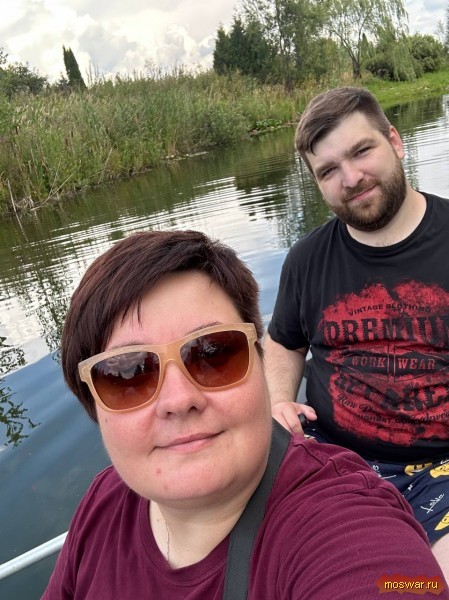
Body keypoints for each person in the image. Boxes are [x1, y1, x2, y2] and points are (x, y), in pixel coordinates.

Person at [42, 229, 448, 600]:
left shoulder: (345, 528)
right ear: (92, 402)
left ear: (258, 361)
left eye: (214, 353)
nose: (179, 399)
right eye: (128, 374)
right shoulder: (103, 501)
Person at [265, 86, 449, 581]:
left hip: (443, 470)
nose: (350, 178)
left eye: (361, 151)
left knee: (428, 583)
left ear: (395, 141)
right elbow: (283, 340)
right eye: (328, 171)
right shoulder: (306, 260)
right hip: (331, 457)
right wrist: (278, 400)